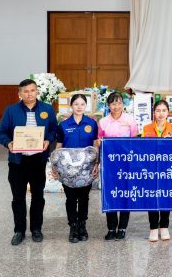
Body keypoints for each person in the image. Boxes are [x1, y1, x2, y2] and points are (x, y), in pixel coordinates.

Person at [0, 78, 58, 245]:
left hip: (38, 161)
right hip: (17, 162)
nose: (29, 94)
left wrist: (48, 141)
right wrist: (8, 143)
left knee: (38, 196)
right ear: (19, 94)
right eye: (25, 91)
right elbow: (1, 133)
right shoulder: (11, 111)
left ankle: (36, 229)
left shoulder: (47, 109)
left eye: (32, 90)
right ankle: (19, 231)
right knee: (18, 198)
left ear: (37, 91)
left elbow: (53, 129)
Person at [51, 94, 99, 243]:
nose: (79, 107)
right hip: (67, 170)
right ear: (71, 106)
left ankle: (82, 225)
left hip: (87, 169)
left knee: (84, 198)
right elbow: (58, 147)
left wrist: (97, 163)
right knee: (70, 198)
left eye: (82, 104)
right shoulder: (63, 125)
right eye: (76, 104)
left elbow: (96, 144)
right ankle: (73, 226)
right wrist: (54, 166)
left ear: (86, 106)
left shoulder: (92, 123)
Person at [98, 91, 138, 241]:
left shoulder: (130, 120)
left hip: (126, 164)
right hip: (109, 165)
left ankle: (122, 227)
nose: (116, 106)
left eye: (119, 103)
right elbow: (100, 142)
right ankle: (111, 228)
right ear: (108, 105)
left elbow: (134, 141)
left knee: (125, 194)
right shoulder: (103, 122)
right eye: (113, 103)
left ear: (123, 104)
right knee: (111, 194)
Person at [142, 100, 172, 242]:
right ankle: (153, 228)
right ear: (154, 113)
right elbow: (143, 148)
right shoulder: (146, 128)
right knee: (152, 197)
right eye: (158, 110)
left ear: (168, 113)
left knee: (165, 197)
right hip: (151, 169)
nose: (161, 113)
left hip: (167, 169)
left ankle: (164, 226)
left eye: (164, 110)